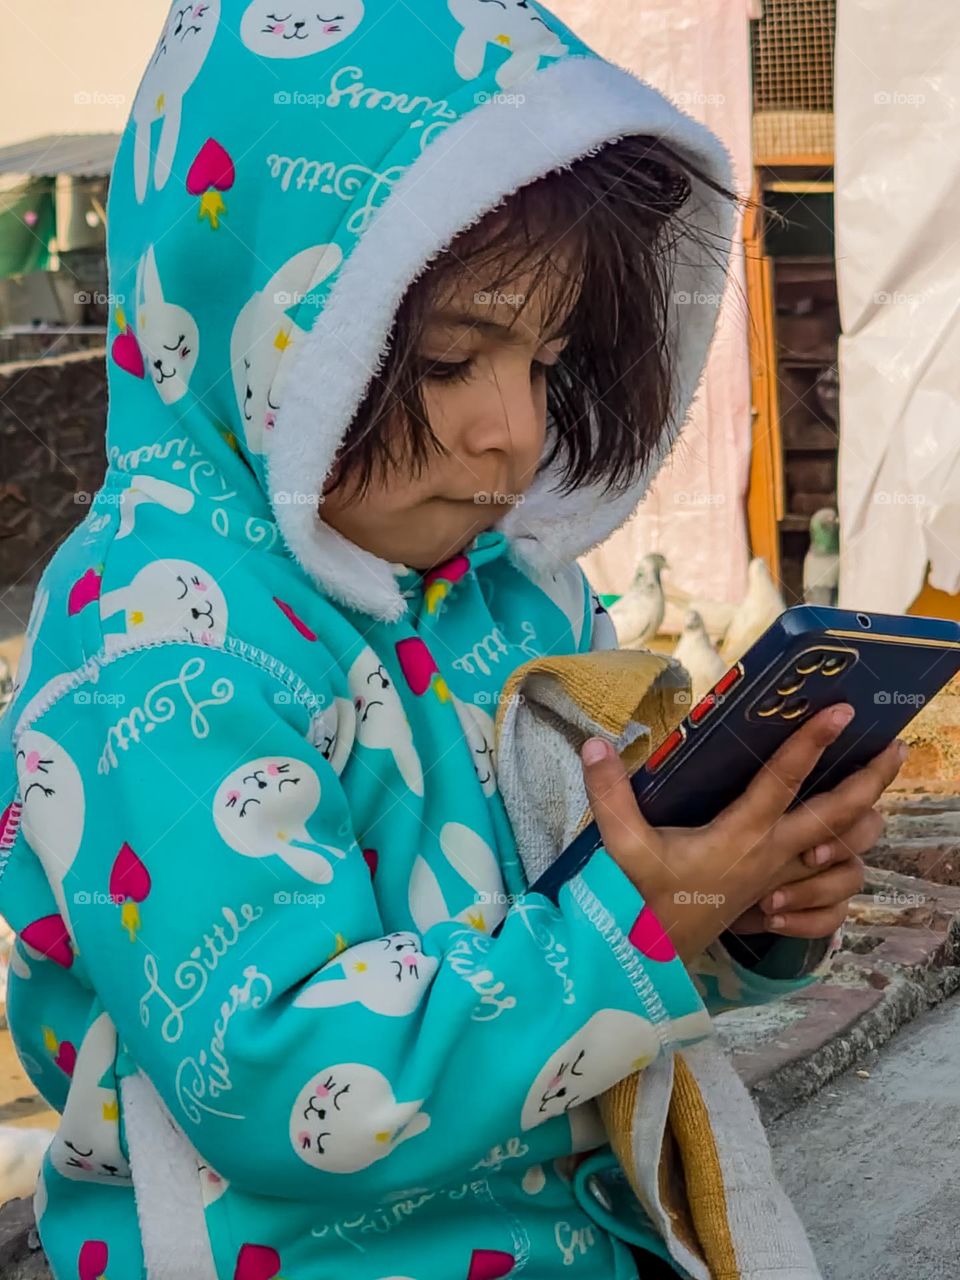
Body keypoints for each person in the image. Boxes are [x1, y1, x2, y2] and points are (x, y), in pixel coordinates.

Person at [0, 2, 901, 1277]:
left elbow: (608, 940)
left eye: (547, 362)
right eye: (443, 358)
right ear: (267, 316)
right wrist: (634, 924)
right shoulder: (159, 636)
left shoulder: (513, 596)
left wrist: (740, 905)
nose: (515, 434)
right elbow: (276, 1077)